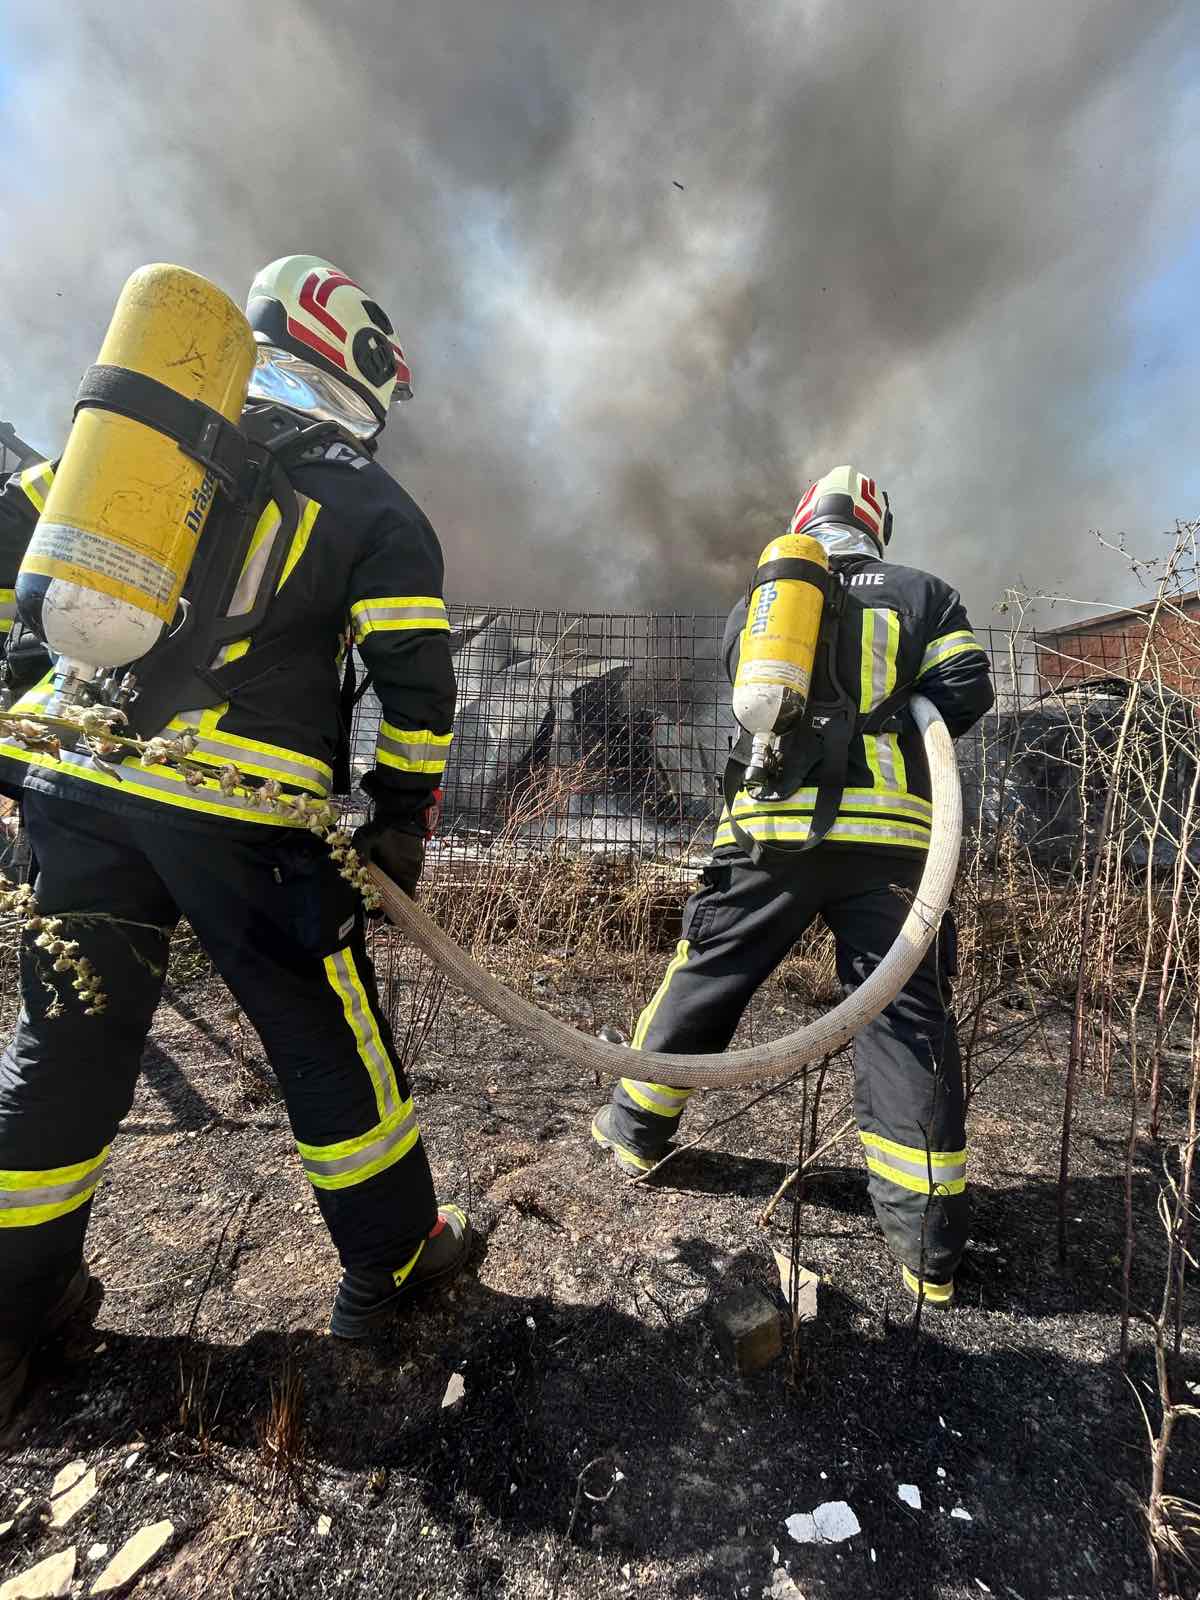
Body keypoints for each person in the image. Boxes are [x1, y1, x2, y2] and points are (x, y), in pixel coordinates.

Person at [0, 255, 470, 1428]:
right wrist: (399, 816)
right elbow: (417, 684)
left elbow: (20, 558)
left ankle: (11, 1318)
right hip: (243, 820)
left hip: (76, 790)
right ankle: (393, 1264)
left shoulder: (137, 447)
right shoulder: (365, 500)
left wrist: (21, 718)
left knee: (61, 1047)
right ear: (355, 360)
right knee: (325, 1037)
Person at [590, 465, 994, 1306]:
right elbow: (967, 690)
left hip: (768, 834)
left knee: (708, 974)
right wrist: (896, 708)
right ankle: (927, 1246)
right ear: (876, 525)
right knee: (904, 1015)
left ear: (806, 519)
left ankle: (633, 1131)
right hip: (889, 846)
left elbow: (747, 689)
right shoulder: (923, 593)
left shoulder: (767, 601)